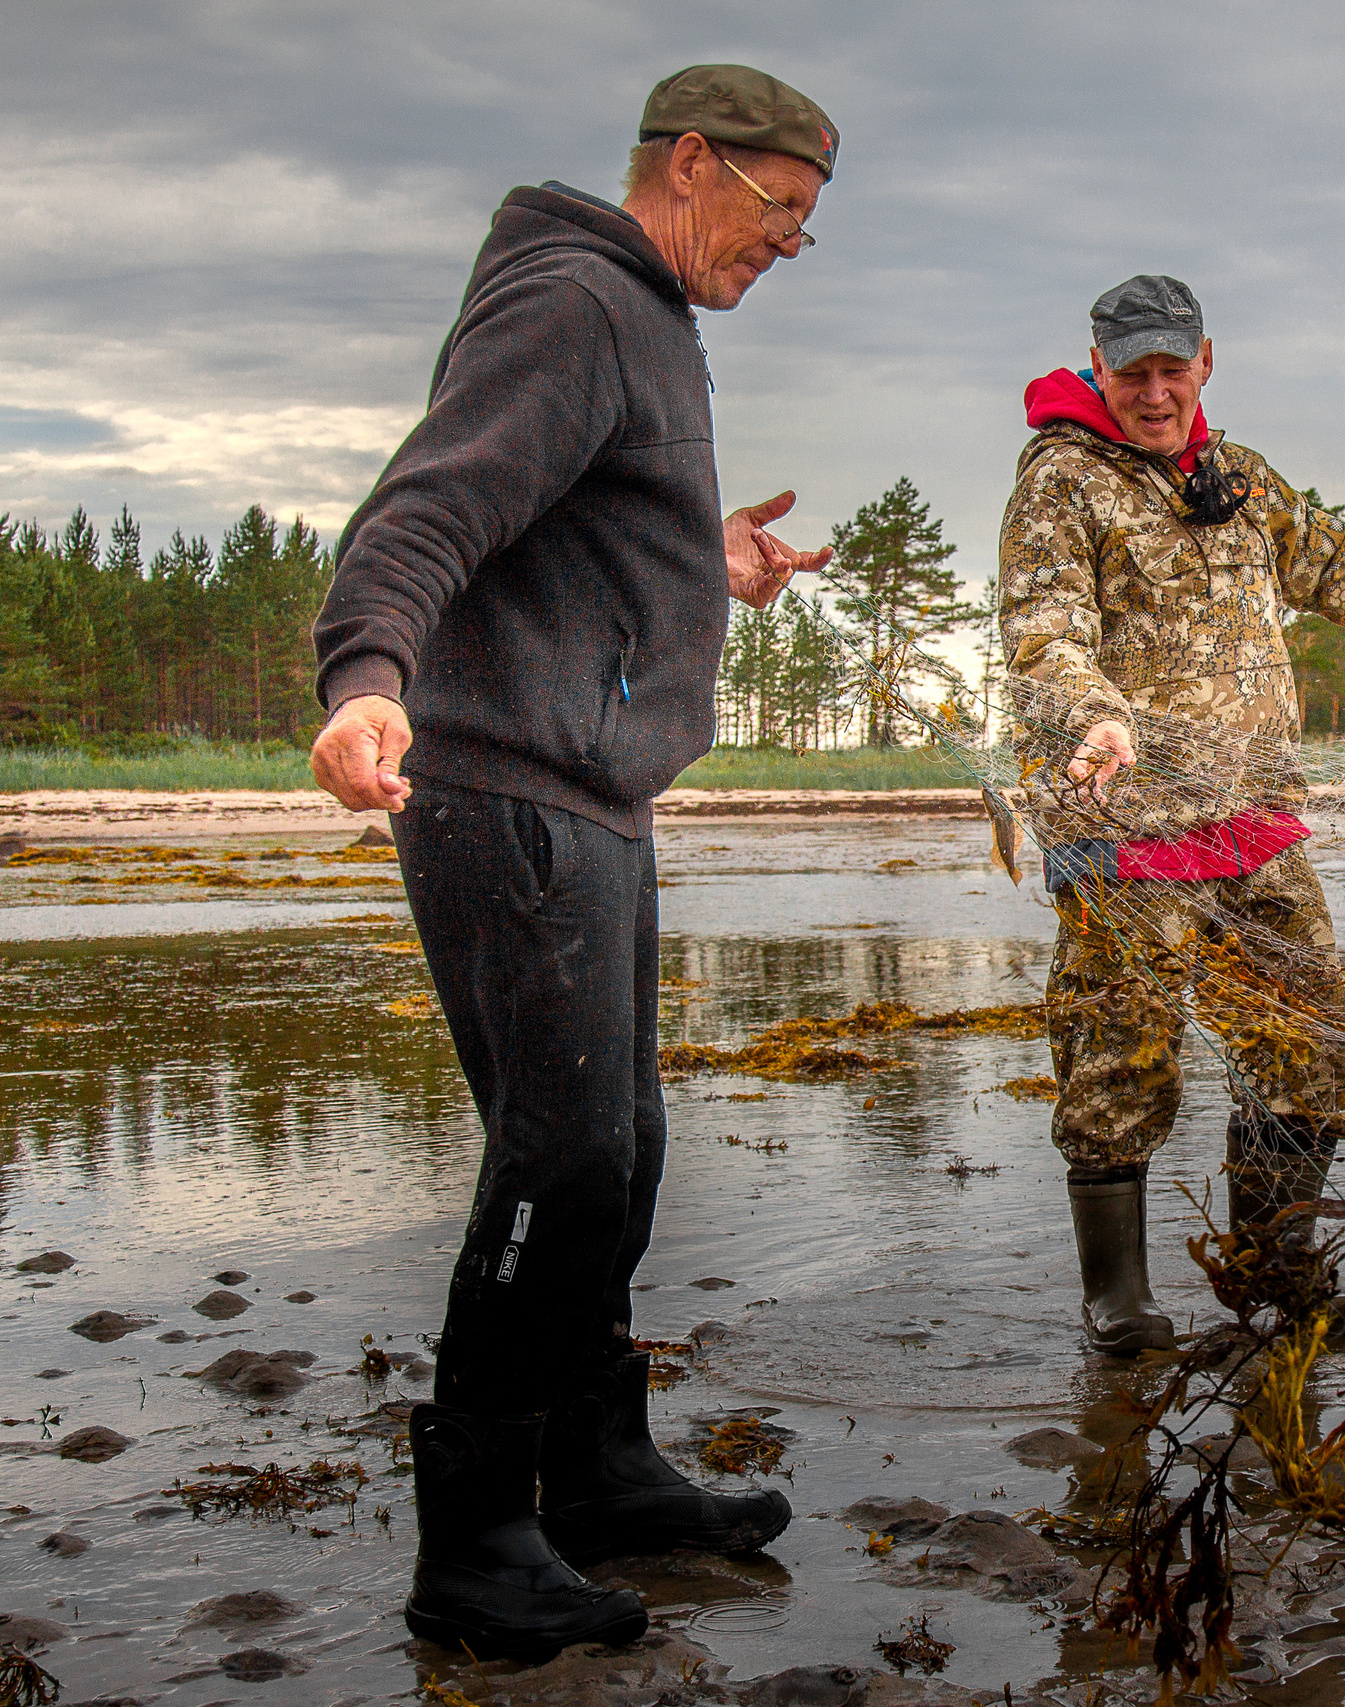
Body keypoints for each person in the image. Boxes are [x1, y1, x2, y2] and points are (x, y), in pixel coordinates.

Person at [307, 65, 839, 1661]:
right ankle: (473, 1540)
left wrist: (702, 552)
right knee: (562, 1156)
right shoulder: (573, 300)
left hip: (595, 789)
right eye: (782, 212)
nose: (790, 247)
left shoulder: (648, 320)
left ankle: (596, 1467)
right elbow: (428, 508)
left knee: (625, 1143)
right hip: (507, 787)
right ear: (693, 164)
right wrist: (366, 678)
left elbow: (578, 518)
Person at [997, 275, 1345, 1357]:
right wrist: (1093, 716)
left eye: (1169, 371)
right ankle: (1120, 1303)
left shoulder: (1236, 478)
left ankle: (1277, 1280)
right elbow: (1044, 634)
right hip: (1123, 821)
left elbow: (1337, 565)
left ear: (1202, 365)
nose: (1152, 393)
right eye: (1131, 374)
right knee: (1118, 1057)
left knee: (1301, 1037)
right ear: (1098, 370)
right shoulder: (1060, 483)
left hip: (1250, 820)